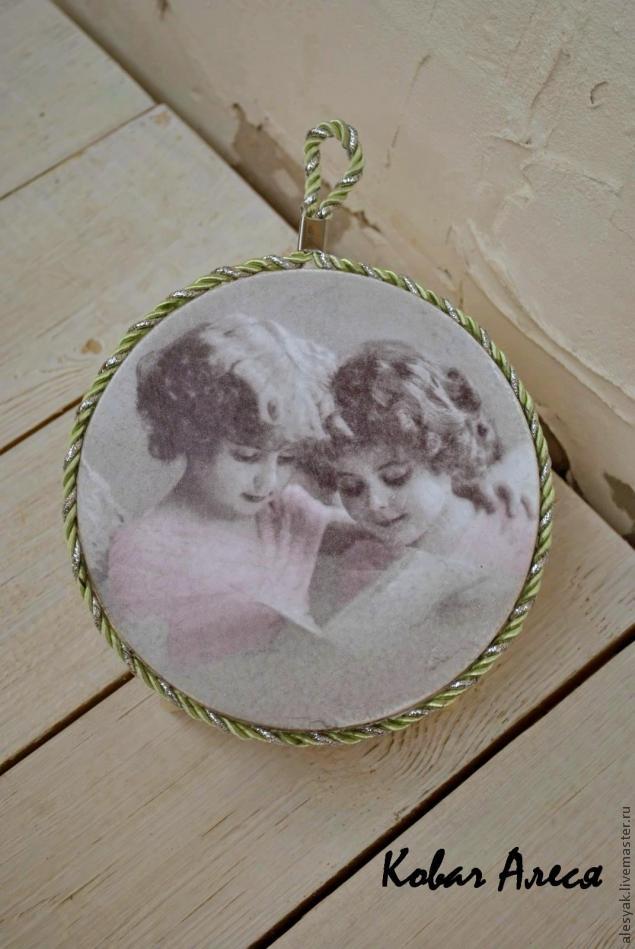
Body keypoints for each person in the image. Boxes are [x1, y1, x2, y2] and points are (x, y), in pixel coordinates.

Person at [106, 313, 347, 669]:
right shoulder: (148, 550)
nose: (268, 481)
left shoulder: (279, 511)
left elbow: (372, 533)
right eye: (246, 456)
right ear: (194, 436)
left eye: (286, 459)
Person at [305, 340, 538, 640]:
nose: (374, 502)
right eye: (351, 487)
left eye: (395, 476)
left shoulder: (514, 524)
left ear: (444, 456)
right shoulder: (363, 567)